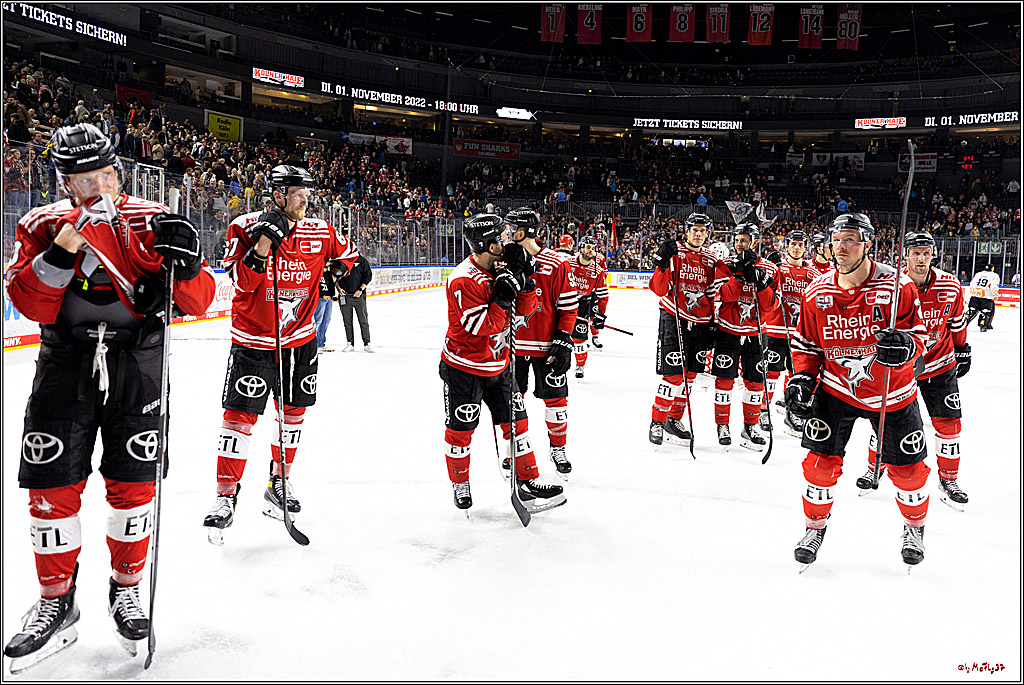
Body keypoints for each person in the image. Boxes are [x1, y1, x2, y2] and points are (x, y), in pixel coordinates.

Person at [3, 123, 215, 667]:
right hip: (64, 360)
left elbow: (199, 299)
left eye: (100, 175)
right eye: (78, 179)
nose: (91, 187)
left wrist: (187, 265)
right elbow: (28, 302)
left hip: (136, 363)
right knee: (52, 480)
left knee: (134, 481)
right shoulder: (41, 224)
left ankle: (126, 590)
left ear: (117, 173)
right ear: (64, 182)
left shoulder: (154, 221)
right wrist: (62, 248)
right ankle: (56, 602)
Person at [202, 166, 358, 542]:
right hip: (253, 341)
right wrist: (263, 244)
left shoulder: (322, 230)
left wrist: (339, 272)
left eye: (308, 194)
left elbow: (350, 260)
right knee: (239, 419)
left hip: (300, 341)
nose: (306, 200)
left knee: (291, 416)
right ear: (278, 195)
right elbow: (239, 282)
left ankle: (279, 481)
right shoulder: (244, 225)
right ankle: (226, 497)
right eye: (298, 194)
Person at [786, 213, 930, 568]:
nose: (841, 246)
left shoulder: (897, 287)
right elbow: (806, 344)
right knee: (818, 466)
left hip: (892, 392)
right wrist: (803, 378)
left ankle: (914, 528)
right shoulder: (816, 291)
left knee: (909, 471)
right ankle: (814, 527)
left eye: (850, 238)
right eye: (836, 239)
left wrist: (906, 347)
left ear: (867, 243)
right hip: (836, 390)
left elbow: (921, 336)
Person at [440, 213, 564, 512]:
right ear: (486, 243)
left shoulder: (501, 267)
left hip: (500, 365)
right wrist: (502, 297)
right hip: (464, 368)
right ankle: (460, 482)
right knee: (461, 430)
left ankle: (527, 481)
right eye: (500, 236)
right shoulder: (463, 280)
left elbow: (526, 312)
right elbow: (484, 325)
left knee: (518, 424)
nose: (506, 240)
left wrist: (525, 282)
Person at [855, 232, 972, 509]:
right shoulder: (890, 286)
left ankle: (949, 479)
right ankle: (876, 467)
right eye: (915, 253)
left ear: (934, 254)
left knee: (950, 424)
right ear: (904, 255)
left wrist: (963, 348)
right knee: (884, 422)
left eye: (926, 252)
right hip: (898, 368)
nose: (921, 259)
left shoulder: (950, 285)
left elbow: (956, 324)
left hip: (939, 365)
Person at [505, 208, 578, 478]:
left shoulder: (557, 263)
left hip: (545, 349)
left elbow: (569, 307)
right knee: (511, 403)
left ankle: (558, 448)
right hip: (510, 347)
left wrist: (564, 340)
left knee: (557, 402)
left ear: (522, 232)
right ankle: (513, 449)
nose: (506, 233)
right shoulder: (501, 261)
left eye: (510, 228)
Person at [646, 213, 720, 446]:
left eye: (702, 230)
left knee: (690, 376)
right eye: (694, 229)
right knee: (673, 375)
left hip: (700, 323)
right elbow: (658, 290)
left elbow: (712, 294)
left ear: (708, 233)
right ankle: (657, 421)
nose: (698, 234)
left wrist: (713, 323)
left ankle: (673, 419)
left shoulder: (711, 260)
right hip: (674, 317)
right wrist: (660, 264)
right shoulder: (674, 253)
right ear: (686, 231)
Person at [711, 223, 779, 450]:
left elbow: (771, 306)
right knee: (725, 380)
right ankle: (723, 425)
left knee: (756, 382)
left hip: (756, 334)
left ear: (754, 241)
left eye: (744, 240)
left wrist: (760, 283)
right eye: (737, 240)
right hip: (728, 331)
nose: (739, 244)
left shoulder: (769, 268)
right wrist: (739, 275)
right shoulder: (726, 265)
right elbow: (724, 296)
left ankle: (750, 427)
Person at [762, 230, 817, 437]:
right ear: (786, 246)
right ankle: (763, 411)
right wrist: (770, 268)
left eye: (800, 244)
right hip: (776, 331)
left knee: (797, 375)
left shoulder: (813, 275)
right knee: (770, 375)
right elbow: (764, 288)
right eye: (792, 244)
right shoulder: (779, 269)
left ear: (805, 248)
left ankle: (792, 413)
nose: (796, 248)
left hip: (799, 335)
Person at [568, 235, 608, 378]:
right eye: (588, 247)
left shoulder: (597, 270)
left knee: (579, 340)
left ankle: (579, 366)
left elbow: (603, 295)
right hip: (564, 302)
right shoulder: (568, 263)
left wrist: (600, 315)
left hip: (583, 305)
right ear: (581, 248)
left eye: (593, 248)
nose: (590, 251)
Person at [336, 251, 373, 352]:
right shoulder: (340, 260)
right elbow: (335, 277)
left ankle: (367, 343)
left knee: (363, 320)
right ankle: (350, 343)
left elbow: (368, 276)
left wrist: (360, 289)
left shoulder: (362, 260)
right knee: (347, 322)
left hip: (359, 296)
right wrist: (338, 288)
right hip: (345, 296)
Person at [967, 264, 999, 331]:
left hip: (975, 296)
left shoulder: (978, 274)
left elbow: (972, 284)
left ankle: (963, 324)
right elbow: (993, 286)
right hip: (986, 297)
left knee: (971, 312)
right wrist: (995, 295)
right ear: (992, 269)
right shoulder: (994, 275)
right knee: (986, 312)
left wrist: (973, 292)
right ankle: (983, 326)